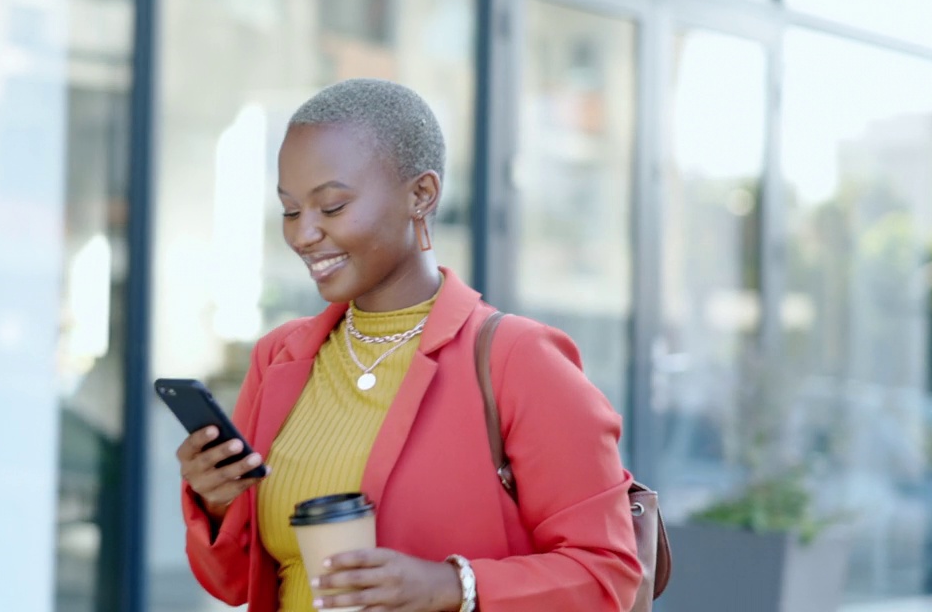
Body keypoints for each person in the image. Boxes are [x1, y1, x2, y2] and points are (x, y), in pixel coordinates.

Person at [177, 78, 641, 611]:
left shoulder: (519, 360)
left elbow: (608, 577)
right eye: (289, 210)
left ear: (421, 194)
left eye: (330, 208)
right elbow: (238, 583)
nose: (303, 234)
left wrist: (450, 587)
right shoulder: (280, 358)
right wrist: (217, 501)